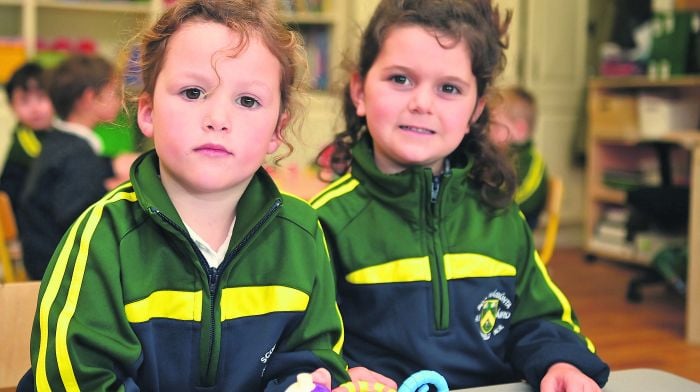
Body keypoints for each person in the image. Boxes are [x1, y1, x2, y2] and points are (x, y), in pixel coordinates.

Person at [19, 0, 349, 391]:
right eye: (193, 92)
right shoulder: (101, 238)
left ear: (278, 129)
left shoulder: (302, 233)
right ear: (148, 112)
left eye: (247, 101)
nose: (218, 119)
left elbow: (313, 366)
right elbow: (77, 380)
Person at [310, 0, 610, 391]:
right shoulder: (323, 222)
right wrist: (337, 373)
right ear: (359, 91)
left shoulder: (499, 215)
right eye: (400, 79)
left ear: (476, 110)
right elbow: (300, 342)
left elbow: (540, 320)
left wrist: (561, 363)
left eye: (449, 88)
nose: (422, 103)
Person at [16, 54, 135, 280]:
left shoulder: (59, 142)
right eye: (113, 92)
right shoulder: (77, 154)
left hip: (42, 257)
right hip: (58, 269)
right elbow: (80, 217)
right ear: (90, 98)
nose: (120, 99)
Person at [489, 86, 548, 229]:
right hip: (496, 221)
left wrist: (487, 204)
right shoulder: (497, 154)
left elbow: (524, 197)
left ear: (520, 129)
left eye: (495, 126)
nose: (488, 131)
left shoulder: (532, 162)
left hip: (517, 228)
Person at [0, 62, 55, 215]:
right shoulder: (23, 138)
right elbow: (49, 161)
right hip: (22, 219)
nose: (35, 108)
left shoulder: (55, 131)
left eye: (41, 98)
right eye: (24, 101)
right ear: (12, 106)